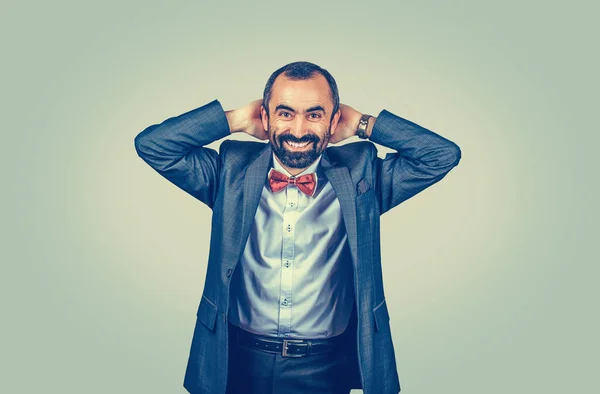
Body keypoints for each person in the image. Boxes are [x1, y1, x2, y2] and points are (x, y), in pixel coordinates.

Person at [134, 61, 461, 394]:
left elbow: (441, 155)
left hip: (325, 366)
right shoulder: (229, 170)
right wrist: (236, 119)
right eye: (285, 113)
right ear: (266, 116)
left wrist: (365, 124)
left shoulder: (363, 175)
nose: (299, 130)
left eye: (315, 115)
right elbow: (154, 146)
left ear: (335, 121)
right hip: (237, 359)